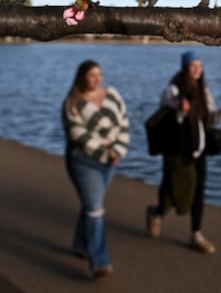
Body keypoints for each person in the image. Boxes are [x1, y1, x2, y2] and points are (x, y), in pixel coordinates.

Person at [146, 50, 221, 254]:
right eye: (193, 67)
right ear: (185, 68)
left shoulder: (203, 91)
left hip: (199, 150)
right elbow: (166, 119)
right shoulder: (173, 90)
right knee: (171, 188)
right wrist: (181, 111)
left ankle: (196, 234)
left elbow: (209, 118)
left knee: (198, 191)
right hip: (178, 149)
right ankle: (156, 214)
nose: (197, 70)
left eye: (200, 67)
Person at [61, 60, 130, 278]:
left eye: (99, 74)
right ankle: (99, 261)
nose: (97, 79)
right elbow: (78, 135)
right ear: (82, 77)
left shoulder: (112, 95)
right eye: (92, 75)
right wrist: (106, 152)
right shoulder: (72, 103)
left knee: (92, 204)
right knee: (96, 209)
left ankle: (81, 245)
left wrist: (118, 151)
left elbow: (124, 123)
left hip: (110, 162)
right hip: (83, 161)